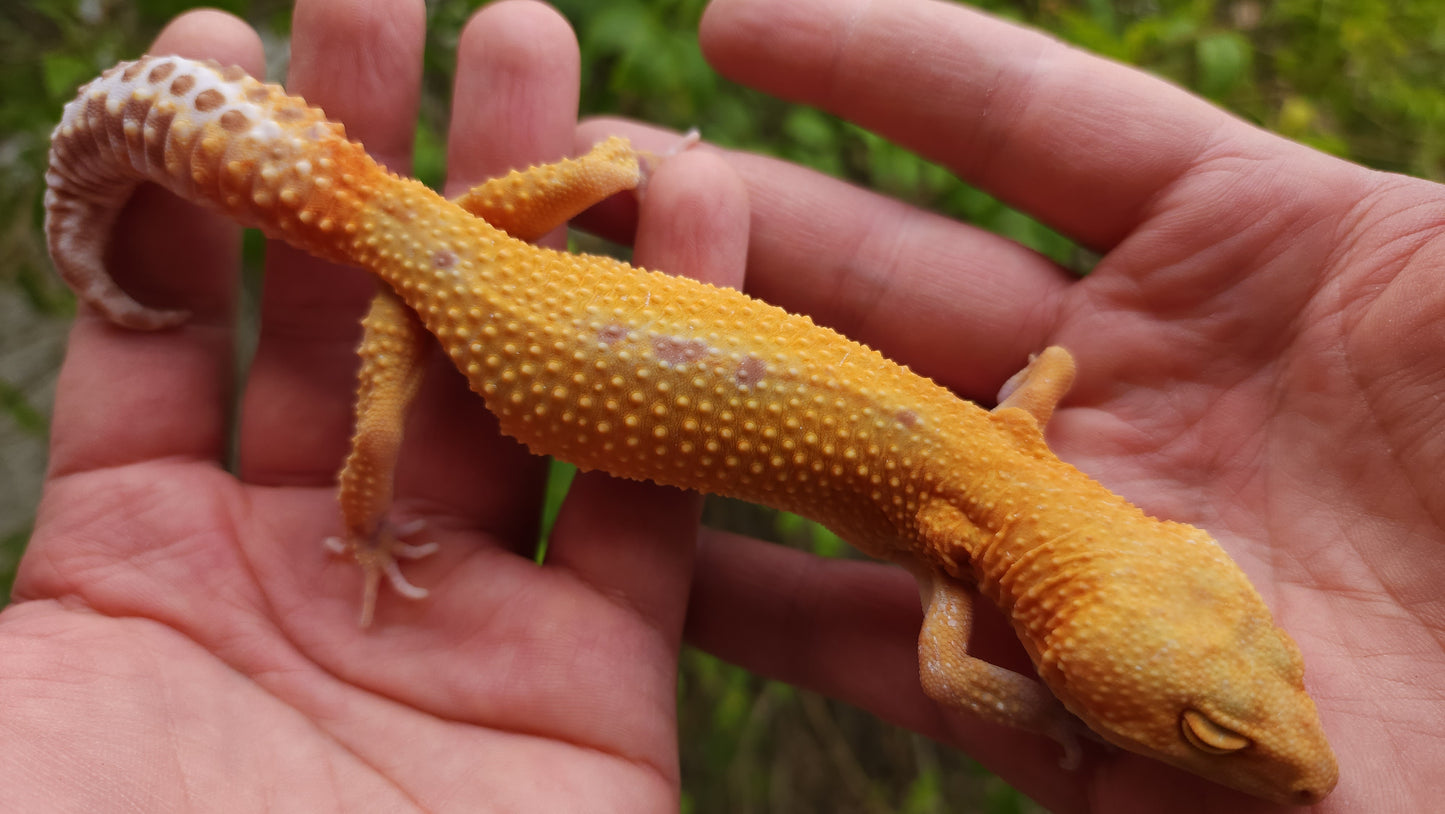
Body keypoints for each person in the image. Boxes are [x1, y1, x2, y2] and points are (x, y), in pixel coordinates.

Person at [5, 0, 1439, 809]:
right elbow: (956, 678)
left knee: (592, 189)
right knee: (369, 440)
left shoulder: (1004, 456)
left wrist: (592, 182)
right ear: (1071, 631)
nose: (1293, 765)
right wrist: (1055, 730)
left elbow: (1045, 371)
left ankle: (609, 170)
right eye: (1214, 729)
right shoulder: (977, 533)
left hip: (483, 243)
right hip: (446, 288)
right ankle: (356, 535)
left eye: (1241, 720)